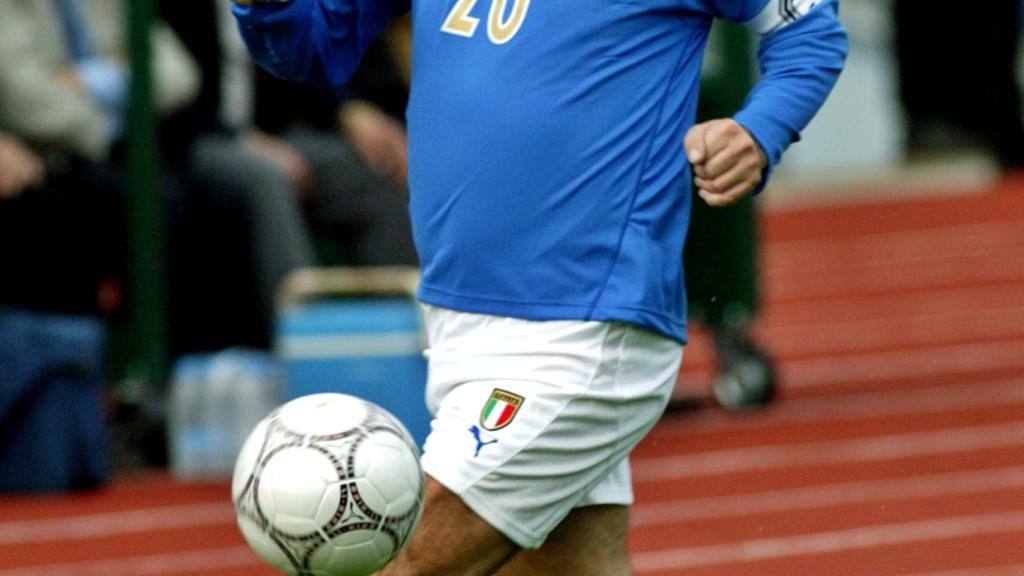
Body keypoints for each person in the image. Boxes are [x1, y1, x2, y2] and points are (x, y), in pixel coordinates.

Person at [231, 0, 847, 573]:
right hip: (458, 316)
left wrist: (759, 130)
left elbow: (809, 28)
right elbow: (308, 49)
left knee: (404, 557)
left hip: (582, 327)